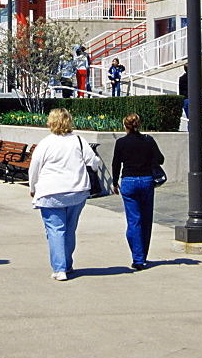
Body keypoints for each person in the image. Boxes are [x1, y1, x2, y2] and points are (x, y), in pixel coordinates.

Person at [28, 108, 100, 281]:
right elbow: (94, 162)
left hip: (51, 191)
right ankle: (67, 263)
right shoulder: (78, 141)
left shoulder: (45, 143)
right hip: (77, 190)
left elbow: (34, 168)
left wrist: (33, 187)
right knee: (70, 229)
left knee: (55, 230)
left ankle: (60, 268)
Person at [112, 113, 164, 270]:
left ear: (125, 125)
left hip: (128, 181)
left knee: (134, 220)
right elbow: (160, 159)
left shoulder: (121, 142)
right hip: (146, 180)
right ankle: (142, 254)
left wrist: (115, 182)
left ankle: (138, 256)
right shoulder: (148, 140)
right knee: (146, 219)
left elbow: (116, 164)